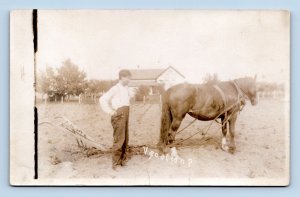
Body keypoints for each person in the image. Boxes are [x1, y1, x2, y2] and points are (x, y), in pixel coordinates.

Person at [99, 69, 132, 170]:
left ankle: (123, 160)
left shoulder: (126, 88)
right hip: (119, 116)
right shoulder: (115, 88)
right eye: (128, 78)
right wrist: (111, 112)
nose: (130, 80)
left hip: (126, 114)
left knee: (125, 138)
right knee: (119, 139)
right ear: (122, 77)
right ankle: (116, 164)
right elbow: (102, 99)